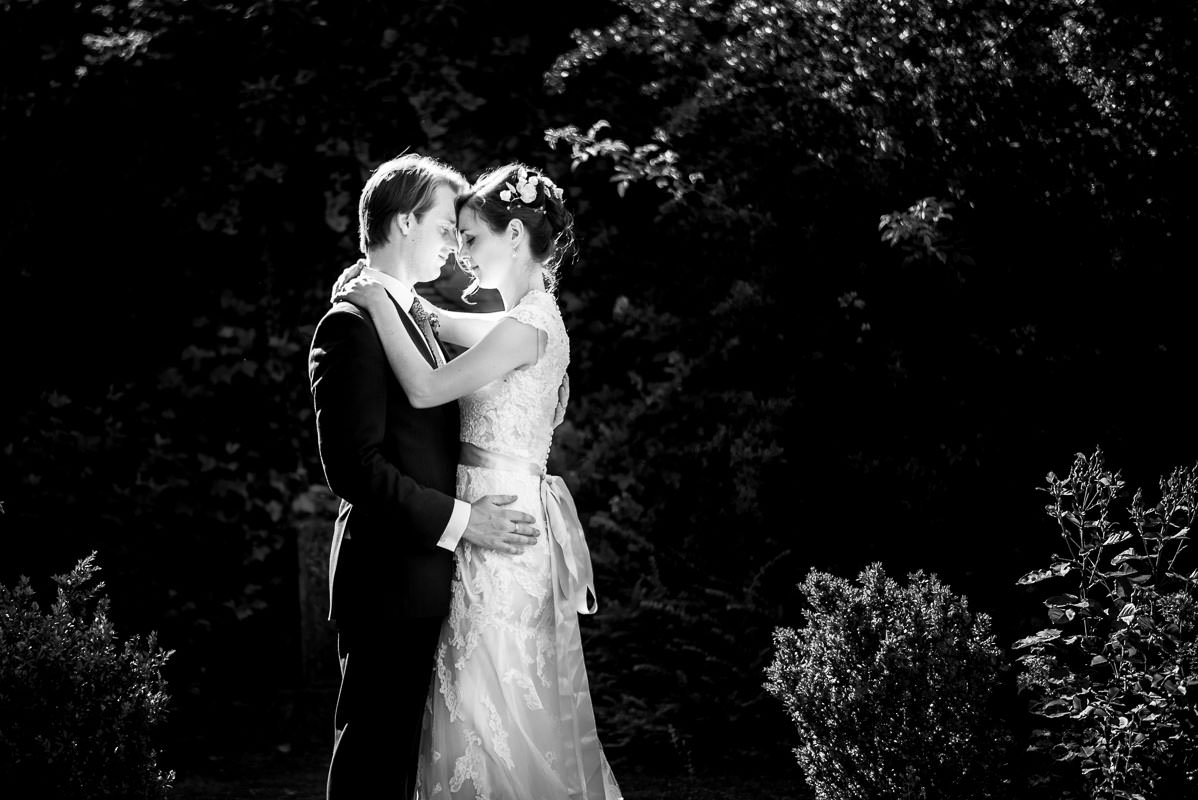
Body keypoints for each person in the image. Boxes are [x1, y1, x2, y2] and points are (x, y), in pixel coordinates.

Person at [334, 163, 623, 799]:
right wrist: (391, 297)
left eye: (471, 238)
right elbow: (436, 324)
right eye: (454, 235)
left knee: (497, 703)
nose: (460, 254)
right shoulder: (520, 321)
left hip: (502, 530)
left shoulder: (531, 324)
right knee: (467, 705)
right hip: (473, 529)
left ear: (514, 235)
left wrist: (378, 299)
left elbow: (428, 384)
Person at [308, 154, 545, 800]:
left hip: (431, 581)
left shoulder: (414, 317)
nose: (453, 245)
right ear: (406, 223)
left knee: (411, 771)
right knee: (372, 765)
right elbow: (356, 469)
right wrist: (467, 522)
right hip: (388, 580)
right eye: (445, 227)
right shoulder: (350, 324)